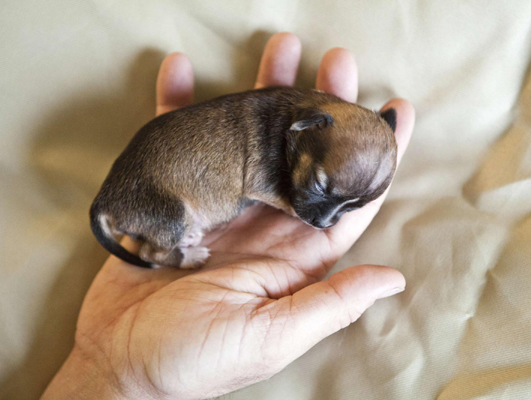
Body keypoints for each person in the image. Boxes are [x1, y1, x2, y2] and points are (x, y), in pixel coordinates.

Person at [41, 32, 415, 400]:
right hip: (154, 190)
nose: (325, 220)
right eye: (321, 187)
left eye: (351, 207)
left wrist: (127, 380)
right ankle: (161, 253)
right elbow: (257, 182)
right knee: (170, 224)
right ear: (305, 126)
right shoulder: (276, 130)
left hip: (169, 174)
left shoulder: (307, 123)